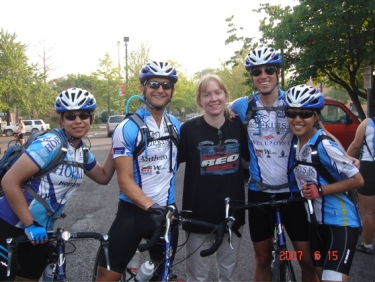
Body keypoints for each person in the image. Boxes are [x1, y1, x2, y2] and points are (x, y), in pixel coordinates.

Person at [0, 87, 115, 281]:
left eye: (84, 115)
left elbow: (103, 176)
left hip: (41, 232)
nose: (78, 120)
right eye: (71, 116)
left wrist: (118, 143)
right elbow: (9, 181)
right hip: (10, 224)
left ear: (91, 118)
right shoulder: (51, 143)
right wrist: (29, 225)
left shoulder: (82, 152)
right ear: (61, 120)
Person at [230, 46, 319, 281]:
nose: (263, 75)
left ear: (278, 72)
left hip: (294, 192)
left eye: (269, 69)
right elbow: (218, 111)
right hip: (259, 193)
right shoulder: (242, 106)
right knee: (262, 259)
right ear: (251, 76)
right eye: (256, 71)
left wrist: (346, 153)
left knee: (306, 260)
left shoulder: (293, 101)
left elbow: (320, 131)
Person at [95, 61, 180, 281]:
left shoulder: (176, 125)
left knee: (162, 274)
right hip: (133, 214)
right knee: (107, 277)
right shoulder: (128, 127)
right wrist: (152, 208)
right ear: (142, 88)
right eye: (153, 84)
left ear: (172, 91)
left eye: (166, 85)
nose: (160, 89)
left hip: (166, 213)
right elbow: (124, 180)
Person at [285, 84, 363, 282]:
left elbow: (358, 180)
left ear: (316, 116)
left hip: (340, 223)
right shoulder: (296, 141)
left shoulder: (324, 145)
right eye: (291, 113)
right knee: (318, 276)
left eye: (305, 114)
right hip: (315, 224)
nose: (297, 119)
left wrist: (320, 189)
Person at [179, 74, 249, 282]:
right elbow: (169, 165)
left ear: (226, 95)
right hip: (197, 215)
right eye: (206, 94)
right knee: (197, 276)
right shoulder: (188, 130)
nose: (213, 98)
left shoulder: (238, 126)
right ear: (199, 100)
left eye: (218, 92)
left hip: (231, 214)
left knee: (228, 273)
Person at [347, 117, 375, 255]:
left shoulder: (368, 123)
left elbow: (355, 146)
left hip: (370, 168)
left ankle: (367, 244)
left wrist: (344, 160)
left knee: (368, 211)